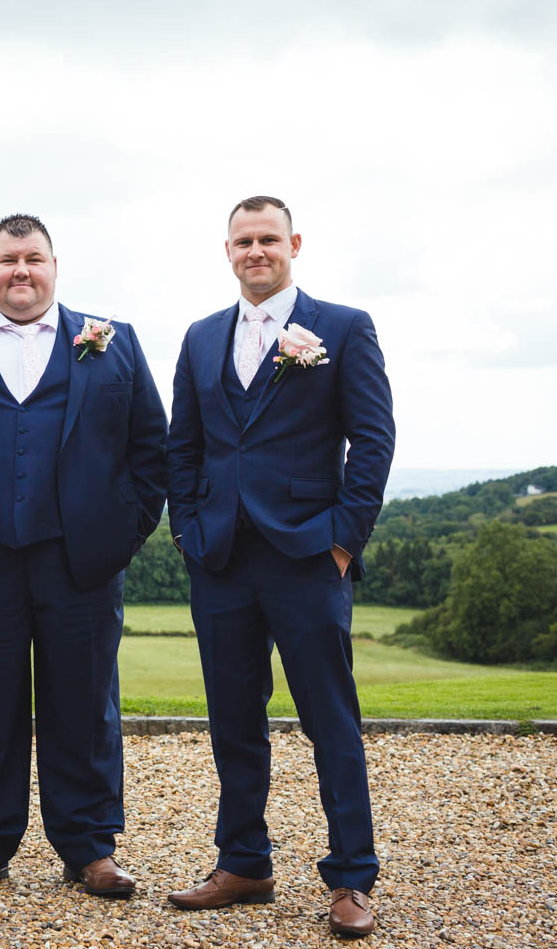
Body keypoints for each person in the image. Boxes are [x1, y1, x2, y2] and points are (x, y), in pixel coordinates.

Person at [0, 214, 168, 898]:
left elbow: (152, 449)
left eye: (33, 258)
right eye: (7, 259)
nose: (20, 271)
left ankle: (88, 846)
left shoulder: (112, 343)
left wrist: (122, 535)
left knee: (84, 703)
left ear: (55, 266)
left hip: (81, 559)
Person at [165, 196, 394, 938]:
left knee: (332, 721)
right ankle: (243, 864)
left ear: (294, 243)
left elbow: (374, 441)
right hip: (222, 559)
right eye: (243, 241)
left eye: (268, 239)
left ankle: (352, 878)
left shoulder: (343, 327)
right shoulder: (201, 338)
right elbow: (185, 445)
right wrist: (189, 531)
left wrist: (341, 542)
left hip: (307, 558)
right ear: (226, 250)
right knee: (234, 723)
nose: (255, 251)